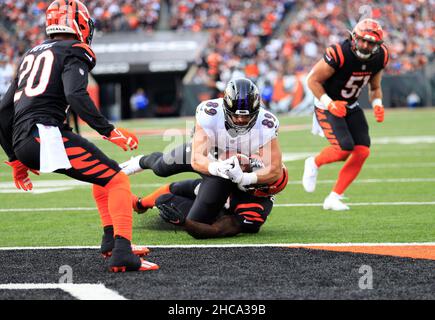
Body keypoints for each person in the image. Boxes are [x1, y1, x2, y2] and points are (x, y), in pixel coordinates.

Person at [0, 0, 158, 272]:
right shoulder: (75, 49)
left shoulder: (31, 54)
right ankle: (122, 252)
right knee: (117, 179)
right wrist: (109, 130)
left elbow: (3, 110)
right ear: (80, 24)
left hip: (24, 138)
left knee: (103, 175)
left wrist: (15, 158)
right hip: (45, 135)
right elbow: (75, 94)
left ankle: (111, 242)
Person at [122, 78, 287, 237]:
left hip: (224, 173)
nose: (240, 120)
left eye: (246, 116)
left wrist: (244, 177)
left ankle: (143, 203)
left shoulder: (254, 207)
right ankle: (137, 162)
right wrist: (218, 166)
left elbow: (274, 171)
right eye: (236, 115)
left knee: (198, 213)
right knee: (162, 166)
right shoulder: (210, 111)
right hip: (207, 152)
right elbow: (196, 159)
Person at [304, 18, 389, 211]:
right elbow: (313, 81)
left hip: (351, 105)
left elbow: (375, 86)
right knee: (343, 149)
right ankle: (314, 162)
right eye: (362, 40)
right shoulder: (339, 53)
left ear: (378, 45)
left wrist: (377, 103)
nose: (366, 46)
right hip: (327, 104)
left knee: (362, 151)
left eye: (371, 43)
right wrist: (330, 103)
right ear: (353, 37)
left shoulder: (380, 56)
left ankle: (334, 197)